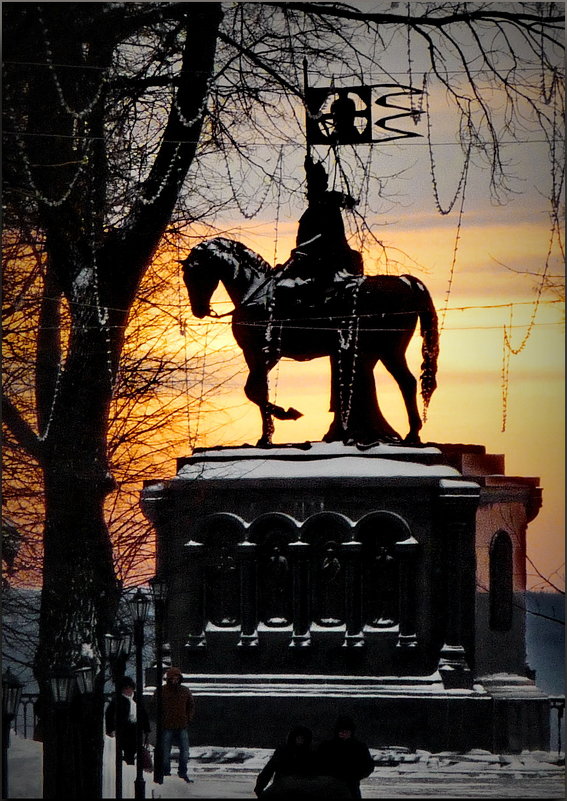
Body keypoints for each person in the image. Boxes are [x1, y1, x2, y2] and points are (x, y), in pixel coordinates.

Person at [316, 715, 375, 799]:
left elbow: (368, 766)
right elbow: (318, 763)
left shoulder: (359, 747)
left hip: (351, 786)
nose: (343, 733)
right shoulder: (326, 746)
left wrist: (354, 776)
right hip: (329, 786)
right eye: (341, 731)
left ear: (351, 732)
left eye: (346, 731)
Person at [254, 725, 316, 797]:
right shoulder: (283, 751)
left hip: (302, 787)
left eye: (302, 738)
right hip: (282, 787)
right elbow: (269, 769)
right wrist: (259, 787)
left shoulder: (311, 753)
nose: (300, 740)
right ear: (293, 738)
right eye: (298, 738)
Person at [159, 666, 195, 783]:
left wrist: (188, 718)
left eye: (177, 678)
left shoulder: (185, 691)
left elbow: (191, 706)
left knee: (185, 752)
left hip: (181, 725)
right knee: (165, 752)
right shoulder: (162, 691)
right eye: (172, 678)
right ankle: (166, 773)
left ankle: (182, 772)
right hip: (167, 725)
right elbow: (154, 706)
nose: (175, 680)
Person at [105, 676, 150, 765]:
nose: (128, 690)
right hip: (124, 728)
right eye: (126, 688)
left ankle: (131, 765)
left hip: (136, 728)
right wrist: (110, 729)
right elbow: (109, 714)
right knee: (126, 750)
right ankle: (128, 765)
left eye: (130, 688)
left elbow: (143, 714)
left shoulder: (137, 698)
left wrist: (146, 729)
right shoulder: (118, 699)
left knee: (134, 750)